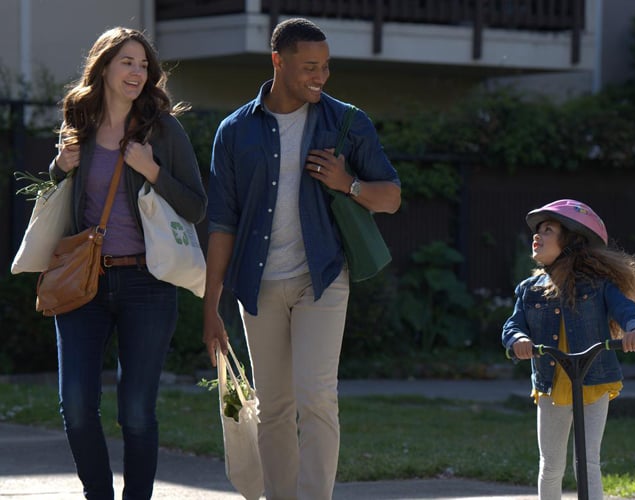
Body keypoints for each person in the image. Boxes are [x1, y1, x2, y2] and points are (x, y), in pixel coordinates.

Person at [203, 17, 401, 500]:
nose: (321, 76)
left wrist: (347, 184)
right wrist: (211, 307)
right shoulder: (235, 132)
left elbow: (391, 196)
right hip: (258, 284)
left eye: (326, 67)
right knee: (273, 407)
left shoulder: (345, 121)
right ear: (278, 61)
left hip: (324, 277)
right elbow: (222, 225)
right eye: (310, 66)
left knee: (317, 399)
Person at [50, 27, 207, 499]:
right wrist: (60, 167)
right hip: (84, 281)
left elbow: (198, 206)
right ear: (103, 67)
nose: (138, 73)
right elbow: (55, 196)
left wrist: (152, 170)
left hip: (147, 282)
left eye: (143, 65)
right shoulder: (78, 120)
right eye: (128, 63)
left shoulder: (163, 128)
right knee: (76, 404)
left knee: (136, 410)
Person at [502, 199, 635, 500]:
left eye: (548, 229)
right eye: (537, 230)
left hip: (594, 381)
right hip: (552, 386)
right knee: (552, 465)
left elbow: (625, 308)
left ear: (571, 240)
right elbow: (512, 326)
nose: (537, 236)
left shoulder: (598, 285)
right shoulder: (529, 290)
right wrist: (518, 341)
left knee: (588, 462)